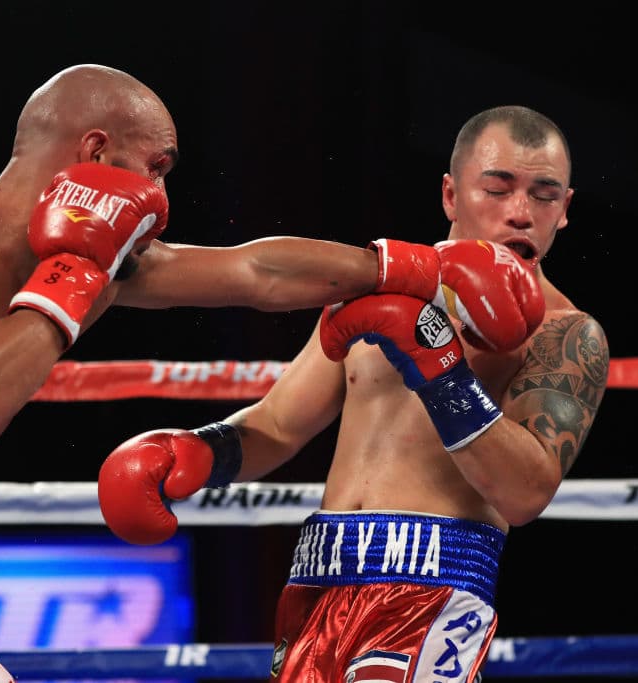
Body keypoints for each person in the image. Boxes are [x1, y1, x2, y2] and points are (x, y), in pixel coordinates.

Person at [0, 63, 531, 683]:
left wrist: (419, 268)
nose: (163, 193)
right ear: (96, 150)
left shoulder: (103, 263)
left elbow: (252, 271)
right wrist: (74, 274)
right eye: (155, 167)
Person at [98, 105, 610, 682]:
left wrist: (441, 373)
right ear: (450, 195)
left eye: (544, 195)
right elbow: (279, 425)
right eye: (497, 188)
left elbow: (525, 493)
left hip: (432, 592)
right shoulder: (377, 285)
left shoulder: (566, 335)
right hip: (317, 584)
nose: (520, 212)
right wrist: (197, 451)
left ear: (565, 209)